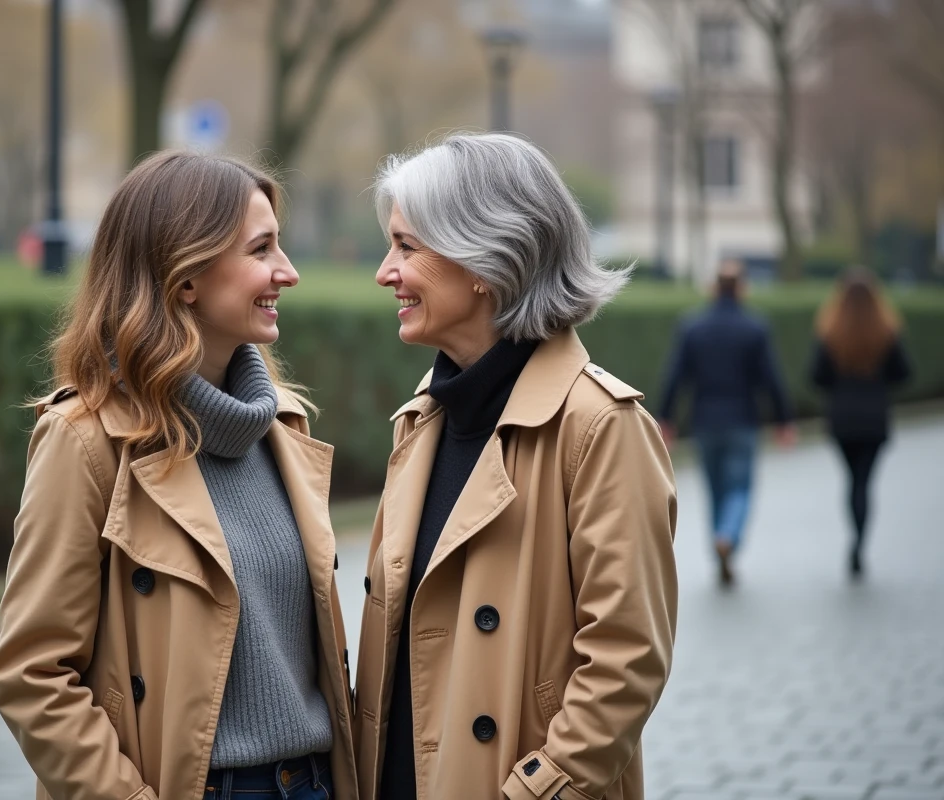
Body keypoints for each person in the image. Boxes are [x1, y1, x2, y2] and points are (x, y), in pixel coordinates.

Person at [0, 151, 357, 800]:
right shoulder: (87, 439)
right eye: (262, 248)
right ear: (186, 277)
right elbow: (32, 672)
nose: (288, 272)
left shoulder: (284, 428)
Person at [352, 132, 678, 800]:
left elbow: (626, 658)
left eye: (406, 246)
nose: (386, 272)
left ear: (484, 259)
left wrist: (538, 788)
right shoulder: (422, 419)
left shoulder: (601, 427)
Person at [658, 261, 796, 586]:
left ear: (713, 287)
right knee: (740, 488)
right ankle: (727, 537)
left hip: (705, 422)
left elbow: (674, 376)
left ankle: (720, 545)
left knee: (716, 490)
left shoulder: (692, 326)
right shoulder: (755, 327)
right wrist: (784, 420)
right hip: (743, 421)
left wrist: (666, 419)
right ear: (742, 288)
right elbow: (771, 379)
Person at [810, 267, 912, 578]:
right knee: (864, 482)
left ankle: (855, 538)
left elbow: (817, 376)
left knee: (852, 480)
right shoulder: (886, 331)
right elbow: (903, 373)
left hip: (843, 417)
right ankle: (859, 541)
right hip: (874, 417)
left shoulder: (830, 331)